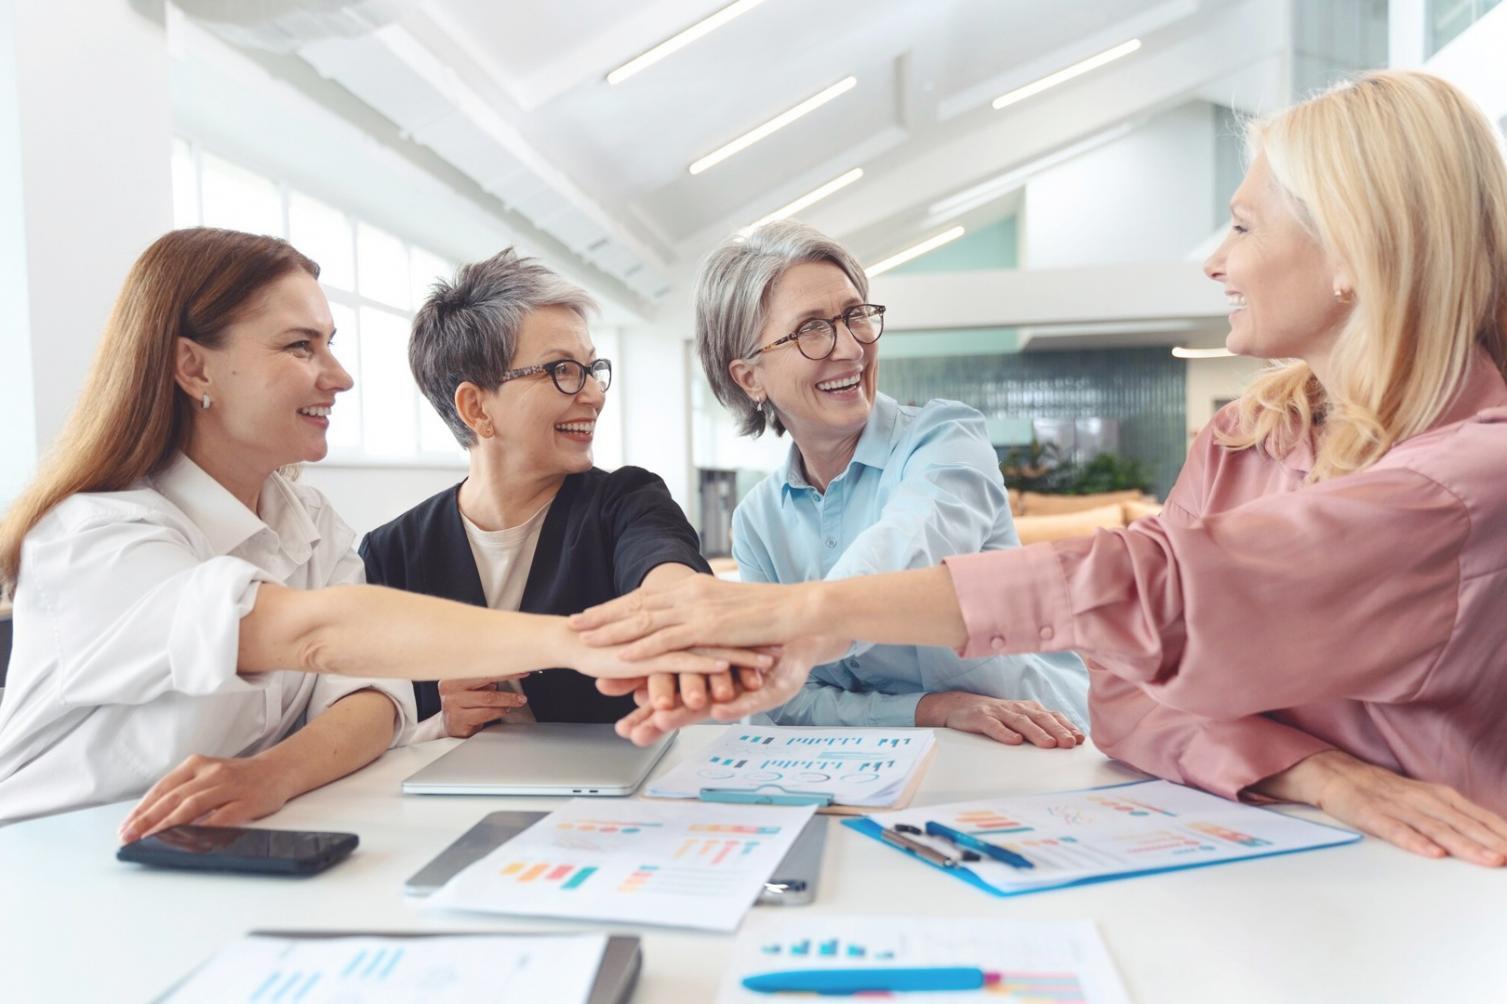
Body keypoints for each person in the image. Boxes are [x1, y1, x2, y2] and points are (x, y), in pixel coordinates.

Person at [574, 71, 1507, 866]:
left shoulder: (1468, 475)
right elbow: (1128, 696)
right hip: (1248, 849)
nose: (1215, 260)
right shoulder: (1242, 440)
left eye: (1243, 227)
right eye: (810, 329)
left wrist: (795, 614)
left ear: (1354, 251)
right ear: (750, 374)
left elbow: (1146, 594)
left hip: (1437, 879)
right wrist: (1309, 770)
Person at [0, 228, 761, 833]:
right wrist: (576, 641)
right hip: (56, 861)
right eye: (301, 346)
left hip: (209, 846)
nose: (339, 375)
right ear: (194, 369)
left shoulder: (305, 524)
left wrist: (273, 775)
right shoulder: (95, 537)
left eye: (329, 342)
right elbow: (315, 633)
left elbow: (373, 696)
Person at [677, 221, 1087, 747]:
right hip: (878, 762)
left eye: (854, 317)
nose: (849, 348)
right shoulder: (758, 520)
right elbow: (786, 700)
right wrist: (931, 709)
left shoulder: (945, 440)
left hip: (1040, 742)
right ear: (750, 377)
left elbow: (908, 547)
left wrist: (794, 626)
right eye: (811, 330)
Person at [361, 249, 740, 741]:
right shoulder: (391, 554)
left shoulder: (626, 501)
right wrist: (439, 721)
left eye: (590, 368)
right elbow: (368, 709)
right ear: (476, 407)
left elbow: (664, 566)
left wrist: (677, 608)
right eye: (562, 370)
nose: (594, 395)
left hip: (607, 795)